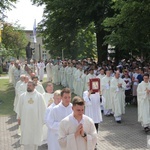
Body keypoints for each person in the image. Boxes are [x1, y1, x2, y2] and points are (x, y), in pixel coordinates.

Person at [16, 80, 46, 150]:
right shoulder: (22, 96)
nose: (28, 87)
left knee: (35, 140)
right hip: (25, 121)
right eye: (27, 86)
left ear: (34, 86)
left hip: (36, 122)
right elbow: (19, 108)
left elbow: (43, 109)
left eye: (30, 86)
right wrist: (18, 118)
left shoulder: (39, 96)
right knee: (26, 139)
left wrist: (42, 120)